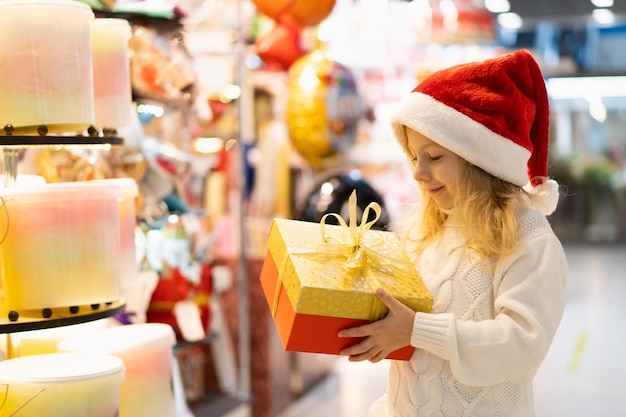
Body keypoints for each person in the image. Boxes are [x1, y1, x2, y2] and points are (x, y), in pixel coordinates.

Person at [338, 49, 568, 417]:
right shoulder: (426, 232)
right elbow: (414, 365)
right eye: (414, 157)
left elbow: (523, 344)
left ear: (479, 157)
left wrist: (417, 330)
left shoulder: (527, 236)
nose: (418, 172)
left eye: (435, 156)